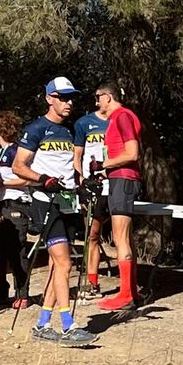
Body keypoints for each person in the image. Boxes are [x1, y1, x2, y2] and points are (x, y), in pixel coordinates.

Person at [13, 77, 93, 346]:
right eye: (63, 97)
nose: (69, 103)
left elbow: (73, 167)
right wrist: (43, 179)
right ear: (49, 98)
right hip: (45, 202)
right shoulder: (37, 129)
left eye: (72, 98)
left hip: (67, 201)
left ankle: (42, 324)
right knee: (65, 262)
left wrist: (84, 184)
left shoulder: (70, 131)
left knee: (56, 266)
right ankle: (68, 326)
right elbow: (18, 166)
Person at [94, 83, 143, 312]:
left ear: (108, 96)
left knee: (120, 237)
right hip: (121, 179)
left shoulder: (122, 116)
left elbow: (132, 153)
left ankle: (125, 294)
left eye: (98, 97)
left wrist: (102, 164)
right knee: (126, 238)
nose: (97, 103)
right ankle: (131, 292)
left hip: (123, 180)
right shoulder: (120, 118)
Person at [0, 111, 30, 308]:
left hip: (16, 202)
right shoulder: (0, 154)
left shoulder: (17, 151)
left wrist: (4, 184)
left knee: (16, 250)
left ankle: (22, 293)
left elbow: (28, 178)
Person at [72, 95, 112, 298]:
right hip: (92, 186)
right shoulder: (84, 123)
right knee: (92, 235)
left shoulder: (119, 120)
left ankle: (129, 288)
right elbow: (77, 156)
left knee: (124, 236)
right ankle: (92, 283)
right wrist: (81, 183)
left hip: (115, 184)